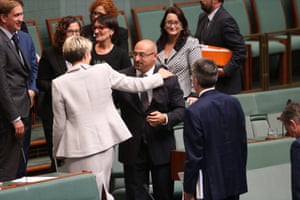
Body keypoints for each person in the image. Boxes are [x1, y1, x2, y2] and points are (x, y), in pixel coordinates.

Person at [52, 36, 173, 200]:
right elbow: (134, 84)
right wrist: (159, 77)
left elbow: (59, 123)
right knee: (103, 189)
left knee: (82, 194)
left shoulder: (59, 83)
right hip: (105, 140)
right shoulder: (103, 70)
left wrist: (57, 152)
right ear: (87, 54)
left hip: (75, 147)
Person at [114, 39, 186, 200]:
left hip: (160, 146)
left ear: (154, 56)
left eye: (142, 55)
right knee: (135, 196)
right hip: (132, 148)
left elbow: (181, 110)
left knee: (164, 195)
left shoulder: (169, 78)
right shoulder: (122, 77)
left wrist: (165, 117)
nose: (137, 59)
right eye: (135, 54)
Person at [183, 58, 248, 200]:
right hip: (234, 179)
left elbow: (194, 157)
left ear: (195, 80)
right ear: (216, 77)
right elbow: (242, 142)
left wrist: (188, 189)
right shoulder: (234, 102)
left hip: (210, 184)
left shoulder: (194, 111)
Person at [37, 15, 81, 171]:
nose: (75, 35)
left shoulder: (84, 53)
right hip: (54, 112)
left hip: (76, 111)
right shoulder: (50, 53)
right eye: (71, 31)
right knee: (57, 156)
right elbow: (40, 82)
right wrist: (60, 87)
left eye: (77, 31)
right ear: (63, 34)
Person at [0, 0, 31, 181]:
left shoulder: (13, 38)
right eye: (16, 15)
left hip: (21, 110)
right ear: (3, 18)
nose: (21, 19)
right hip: (8, 118)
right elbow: (1, 83)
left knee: (17, 167)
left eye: (22, 14)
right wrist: (14, 117)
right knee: (7, 170)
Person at [195, 0, 246, 94]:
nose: (200, 0)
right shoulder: (202, 17)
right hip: (207, 80)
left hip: (225, 85)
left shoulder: (226, 20)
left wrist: (225, 71)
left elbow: (241, 50)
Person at [156, 6, 201, 101]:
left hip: (184, 97)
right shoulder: (158, 45)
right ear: (164, 25)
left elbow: (196, 70)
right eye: (169, 22)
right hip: (162, 97)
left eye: (176, 23)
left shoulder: (191, 43)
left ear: (182, 26)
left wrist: (194, 94)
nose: (172, 26)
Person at [279, 102, 300, 200]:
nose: (289, 134)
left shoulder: (297, 146)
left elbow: (298, 187)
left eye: (288, 130)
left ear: (292, 123)